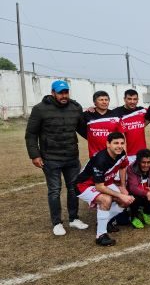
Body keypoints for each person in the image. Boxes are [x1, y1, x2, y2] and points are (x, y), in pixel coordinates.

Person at [25, 79, 89, 236]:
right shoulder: (40, 109)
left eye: (66, 92)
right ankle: (57, 223)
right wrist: (35, 155)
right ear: (53, 93)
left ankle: (73, 219)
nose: (64, 95)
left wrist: (92, 117)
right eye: (60, 93)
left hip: (71, 157)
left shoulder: (75, 107)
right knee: (54, 190)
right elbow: (31, 134)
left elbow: (84, 129)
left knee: (74, 189)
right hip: (50, 158)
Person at [75, 132, 134, 246]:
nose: (119, 146)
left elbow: (122, 167)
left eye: (122, 143)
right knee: (106, 199)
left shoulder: (121, 153)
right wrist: (120, 195)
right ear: (108, 144)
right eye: (116, 143)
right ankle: (100, 235)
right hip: (84, 185)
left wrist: (122, 186)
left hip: (105, 182)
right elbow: (99, 187)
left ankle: (103, 222)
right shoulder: (100, 160)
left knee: (126, 201)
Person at [80, 90, 121, 158]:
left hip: (113, 155)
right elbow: (80, 128)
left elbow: (121, 136)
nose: (104, 102)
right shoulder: (86, 115)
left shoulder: (116, 115)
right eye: (101, 100)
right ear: (94, 102)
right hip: (95, 157)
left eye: (106, 100)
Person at [126, 149, 150, 228]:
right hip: (135, 194)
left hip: (146, 192)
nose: (146, 165)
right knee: (134, 199)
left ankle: (146, 212)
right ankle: (133, 217)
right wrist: (147, 193)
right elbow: (133, 188)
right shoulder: (131, 169)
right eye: (143, 162)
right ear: (138, 161)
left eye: (148, 162)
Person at [114, 89, 147, 163]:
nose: (132, 101)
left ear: (138, 100)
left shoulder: (142, 110)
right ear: (124, 99)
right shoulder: (116, 112)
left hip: (141, 152)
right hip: (125, 153)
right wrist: (93, 109)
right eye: (129, 99)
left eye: (135, 99)